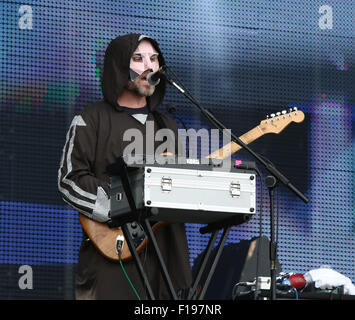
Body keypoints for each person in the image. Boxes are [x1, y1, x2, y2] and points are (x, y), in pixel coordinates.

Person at [58, 33, 192, 299]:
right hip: (112, 260)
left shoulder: (169, 126)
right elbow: (69, 180)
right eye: (138, 58)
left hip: (165, 261)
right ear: (119, 66)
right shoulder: (90, 119)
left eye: (154, 59)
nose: (149, 66)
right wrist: (119, 205)